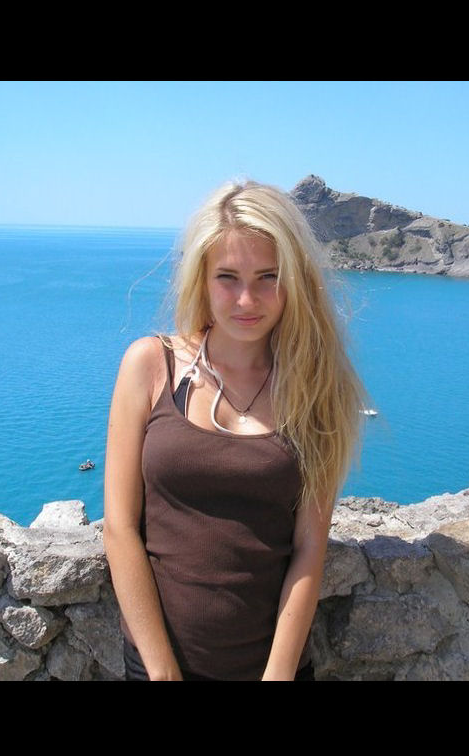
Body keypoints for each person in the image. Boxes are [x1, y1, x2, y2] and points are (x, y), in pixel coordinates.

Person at [103, 179, 366, 681]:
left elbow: (309, 548)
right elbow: (119, 528)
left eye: (269, 277)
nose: (247, 299)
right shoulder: (150, 365)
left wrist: (278, 676)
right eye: (228, 277)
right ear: (201, 279)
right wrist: (162, 672)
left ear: (294, 280)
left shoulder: (314, 387)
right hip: (156, 668)